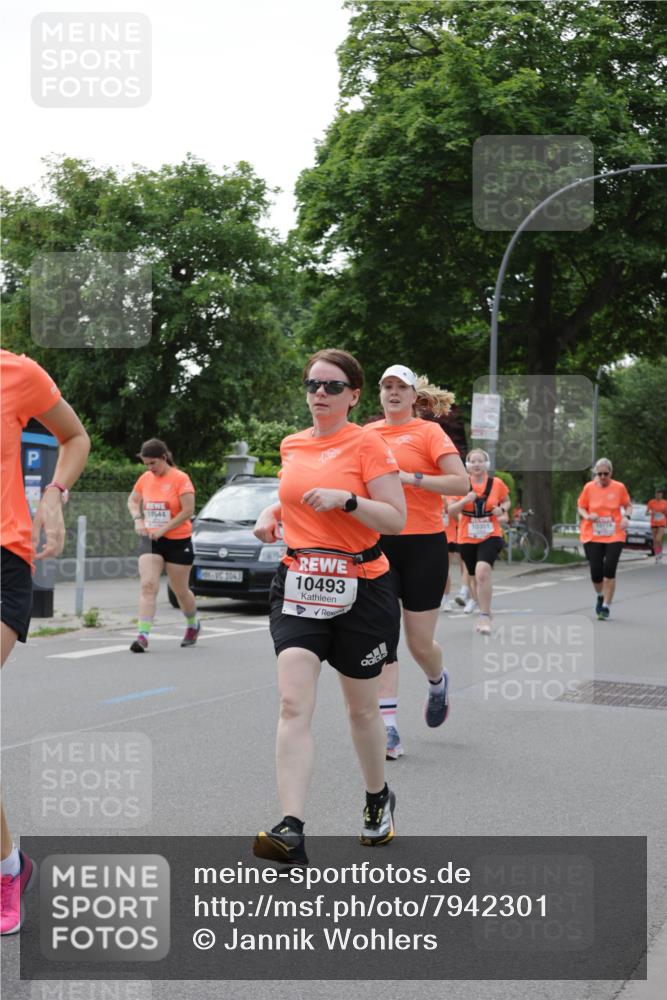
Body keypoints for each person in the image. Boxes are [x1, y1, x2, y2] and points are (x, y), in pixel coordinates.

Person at [252, 349, 406, 864]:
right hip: (299, 584)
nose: (320, 393)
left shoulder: (368, 445)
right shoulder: (292, 444)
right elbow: (293, 494)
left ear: (354, 395)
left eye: (332, 386)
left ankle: (376, 797)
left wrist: (348, 502)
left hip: (362, 587)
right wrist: (272, 512)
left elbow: (395, 518)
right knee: (293, 702)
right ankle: (291, 826)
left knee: (360, 710)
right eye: (312, 384)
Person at [1, 348, 90, 934]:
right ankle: (10, 860)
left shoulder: (17, 373)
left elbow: (74, 436)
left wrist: (53, 494)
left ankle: (6, 873)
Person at [364, 367, 468, 759]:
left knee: (419, 643)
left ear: (413, 396)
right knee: (383, 633)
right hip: (379, 543)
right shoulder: (367, 435)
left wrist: (410, 478)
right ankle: (388, 727)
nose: (392, 393)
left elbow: (461, 484)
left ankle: (437, 680)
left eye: (400, 388)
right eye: (386, 387)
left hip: (425, 543)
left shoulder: (428, 433)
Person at [127, 439, 199, 651]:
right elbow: (132, 500)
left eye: (153, 464)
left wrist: (164, 529)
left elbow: (188, 510)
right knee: (148, 585)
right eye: (146, 464)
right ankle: (142, 635)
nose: (150, 468)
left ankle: (192, 624)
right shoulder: (145, 478)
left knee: (180, 591)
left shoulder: (180, 478)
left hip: (178, 541)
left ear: (164, 458)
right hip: (151, 541)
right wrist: (138, 519)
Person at [447, 450, 510, 636]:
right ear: (467, 465)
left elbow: (507, 501)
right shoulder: (461, 483)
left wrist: (501, 509)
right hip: (467, 536)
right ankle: (485, 610)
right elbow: (451, 510)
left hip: (491, 534)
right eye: (472, 461)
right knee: (474, 577)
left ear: (486, 464)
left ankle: (483, 615)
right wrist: (465, 500)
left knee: (483, 572)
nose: (476, 464)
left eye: (480, 461)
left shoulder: (496, 483)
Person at [577, 458, 631, 619]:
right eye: (599, 474)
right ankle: (600, 595)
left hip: (615, 534)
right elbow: (581, 506)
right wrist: (588, 516)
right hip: (592, 534)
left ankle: (606, 605)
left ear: (611, 473)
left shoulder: (619, 487)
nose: (602, 477)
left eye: (605, 474)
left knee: (609, 569)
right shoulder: (588, 487)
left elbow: (628, 504)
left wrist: (626, 516)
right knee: (596, 573)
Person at [441, 496, 462, 612]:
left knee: (444, 569)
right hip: (429, 534)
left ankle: (446, 599)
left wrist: (448, 506)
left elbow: (458, 515)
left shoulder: (453, 494)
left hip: (449, 537)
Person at [646, 488, 667, 564]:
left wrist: (665, 512)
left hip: (662, 523)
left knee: (658, 539)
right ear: (655, 495)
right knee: (655, 541)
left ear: (662, 495)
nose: (658, 495)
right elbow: (646, 513)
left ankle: (660, 552)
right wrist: (652, 512)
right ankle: (657, 556)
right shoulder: (651, 502)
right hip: (654, 523)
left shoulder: (665, 502)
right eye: (657, 494)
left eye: (660, 494)